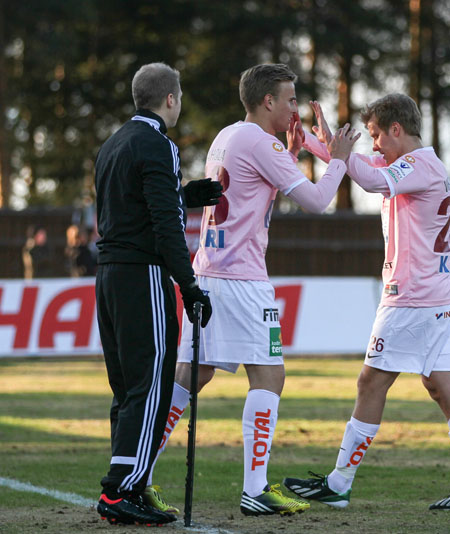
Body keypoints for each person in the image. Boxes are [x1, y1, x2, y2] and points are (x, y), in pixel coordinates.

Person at [145, 63, 360, 517]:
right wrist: (337, 156)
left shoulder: (230, 135)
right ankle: (255, 489)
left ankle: (137, 474)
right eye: (290, 99)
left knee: (190, 376)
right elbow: (319, 202)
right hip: (242, 281)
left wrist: (291, 151)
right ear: (268, 102)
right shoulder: (260, 143)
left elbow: (253, 184)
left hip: (209, 272)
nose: (295, 107)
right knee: (269, 376)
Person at [283, 94, 450, 511]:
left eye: (377, 135)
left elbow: (367, 177)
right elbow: (360, 165)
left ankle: (340, 482)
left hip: (412, 298)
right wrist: (312, 140)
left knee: (371, 382)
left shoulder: (417, 166)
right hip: (440, 294)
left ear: (397, 129)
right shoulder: (418, 164)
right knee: (441, 384)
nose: (374, 143)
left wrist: (334, 152)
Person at [93, 62, 218, 526]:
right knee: (150, 386)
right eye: (180, 96)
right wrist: (189, 286)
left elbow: (129, 207)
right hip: (141, 274)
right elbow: (165, 226)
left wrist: (182, 193)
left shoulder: (113, 144)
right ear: (170, 99)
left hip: (108, 276)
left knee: (127, 388)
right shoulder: (159, 144)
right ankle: (120, 490)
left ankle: (131, 483)